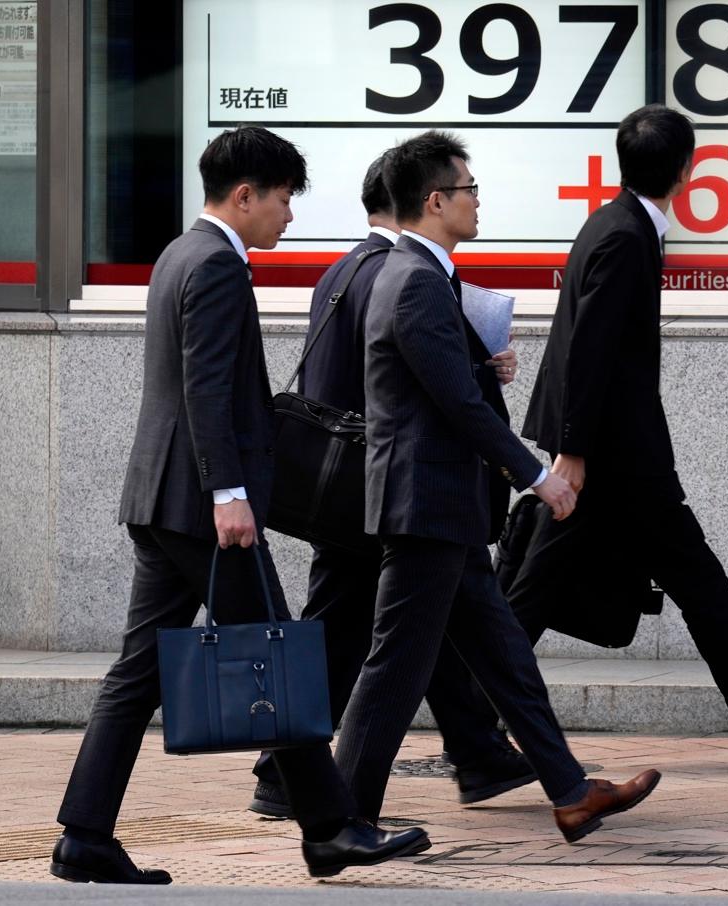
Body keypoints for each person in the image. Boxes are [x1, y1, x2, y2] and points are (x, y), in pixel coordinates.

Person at [50, 126, 428, 884]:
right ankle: (329, 828)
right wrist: (228, 492)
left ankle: (85, 836)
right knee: (276, 660)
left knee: (139, 673)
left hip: (161, 497)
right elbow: (207, 388)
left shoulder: (178, 253)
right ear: (246, 194)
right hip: (202, 507)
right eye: (284, 199)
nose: (289, 216)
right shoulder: (219, 263)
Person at [333, 130, 661, 843]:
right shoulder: (413, 278)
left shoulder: (424, 274)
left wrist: (487, 367)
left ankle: (571, 792)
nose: (479, 201)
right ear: (435, 200)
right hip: (426, 505)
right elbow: (455, 404)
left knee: (506, 657)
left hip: (439, 505)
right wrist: (538, 476)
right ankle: (341, 821)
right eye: (470, 189)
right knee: (394, 666)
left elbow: (445, 385)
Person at [514, 104, 728, 768]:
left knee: (539, 586)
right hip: (615, 458)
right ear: (686, 169)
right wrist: (573, 454)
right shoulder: (624, 237)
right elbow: (590, 352)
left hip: (610, 453)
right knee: (684, 576)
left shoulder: (618, 225)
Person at [248, 153, 536, 819]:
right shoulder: (402, 273)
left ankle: (478, 752)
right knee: (359, 633)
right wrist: (485, 369)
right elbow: (428, 380)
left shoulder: (342, 270)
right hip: (381, 481)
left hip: (348, 479)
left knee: (409, 624)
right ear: (414, 201)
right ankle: (282, 774)